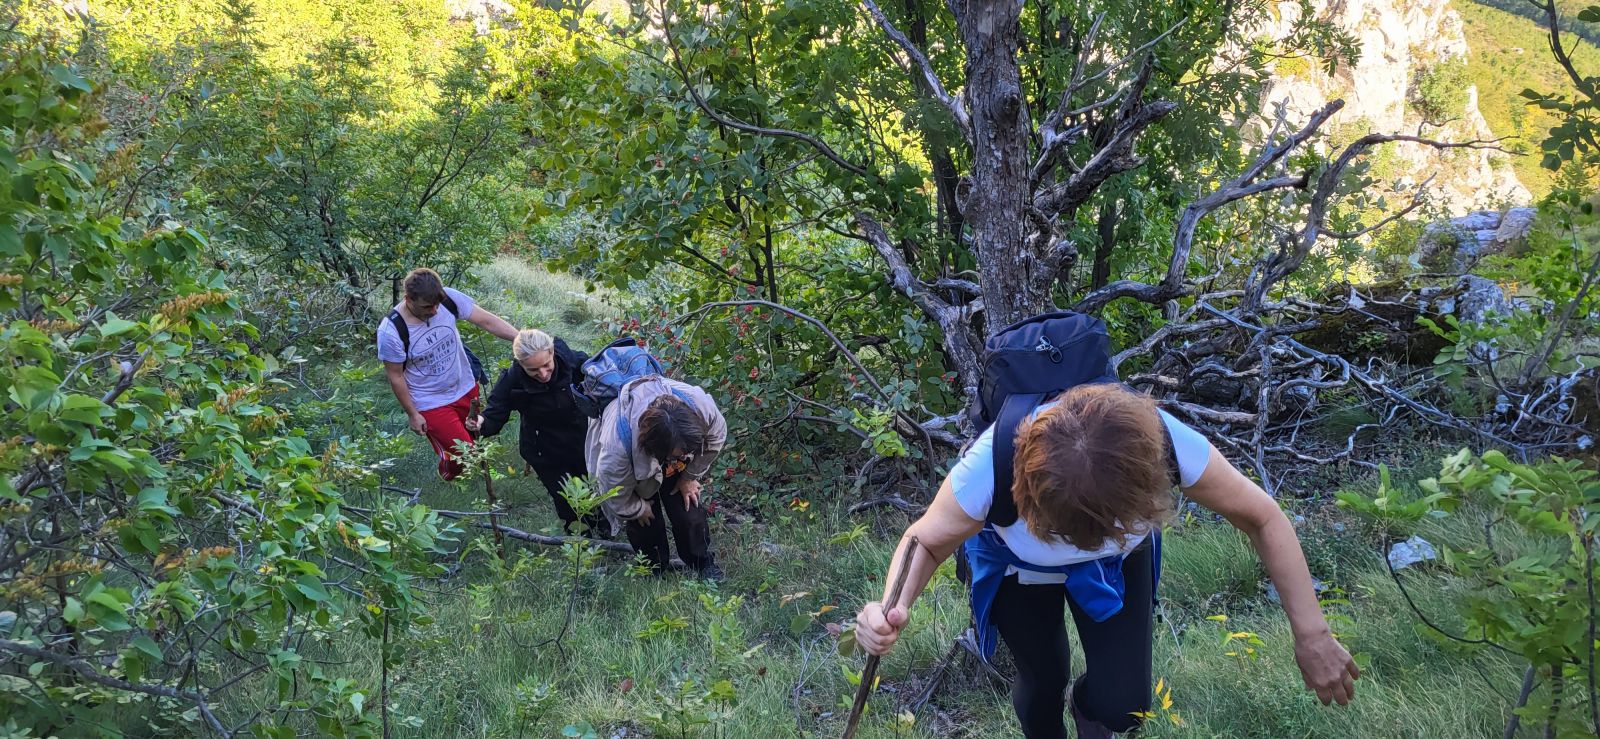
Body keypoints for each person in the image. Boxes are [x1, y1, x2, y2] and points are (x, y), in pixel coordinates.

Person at [852, 384, 1358, 738]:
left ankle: (1091, 712)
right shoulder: (987, 468)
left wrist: (1312, 633)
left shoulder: (1166, 444)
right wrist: (887, 608)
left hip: (1120, 568)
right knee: (1042, 681)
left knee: (1125, 704)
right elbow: (926, 540)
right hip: (1016, 568)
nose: (1087, 542)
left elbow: (1263, 518)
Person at [376, 268, 516, 480]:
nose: (434, 311)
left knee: (475, 435)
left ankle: (469, 476)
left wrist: (522, 340)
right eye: (426, 306)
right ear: (408, 299)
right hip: (430, 401)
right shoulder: (392, 331)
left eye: (437, 305)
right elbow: (395, 376)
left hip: (466, 386)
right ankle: (450, 475)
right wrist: (413, 414)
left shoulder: (449, 299)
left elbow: (486, 321)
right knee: (466, 453)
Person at [468, 329, 608, 537]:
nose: (542, 374)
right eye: (533, 370)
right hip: (544, 449)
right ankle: (580, 543)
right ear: (521, 364)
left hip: (582, 441)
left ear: (551, 353)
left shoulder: (575, 363)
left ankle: (605, 532)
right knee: (566, 497)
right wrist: (481, 423)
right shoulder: (512, 380)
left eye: (546, 366)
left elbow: (604, 382)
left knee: (593, 488)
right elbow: (495, 412)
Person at [587, 375, 726, 580]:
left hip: (672, 447)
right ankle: (653, 569)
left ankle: (703, 563)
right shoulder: (617, 448)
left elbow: (716, 438)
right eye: (679, 454)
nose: (685, 456)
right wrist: (636, 508)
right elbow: (611, 489)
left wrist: (689, 476)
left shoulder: (701, 408)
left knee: (688, 510)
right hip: (634, 468)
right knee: (645, 522)